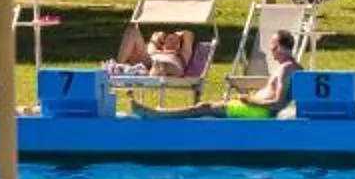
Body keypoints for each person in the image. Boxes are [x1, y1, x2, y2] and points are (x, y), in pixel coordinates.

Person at [143, 31, 300, 118]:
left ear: (280, 48)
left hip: (258, 112)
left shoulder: (286, 69)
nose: (271, 50)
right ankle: (162, 114)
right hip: (256, 108)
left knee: (205, 107)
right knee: (210, 107)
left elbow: (278, 103)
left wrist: (251, 100)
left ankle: (160, 115)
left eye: (273, 47)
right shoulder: (291, 67)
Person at [114, 25, 197, 78]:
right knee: (132, 30)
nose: (174, 41)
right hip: (150, 62)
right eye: (170, 39)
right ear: (163, 43)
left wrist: (177, 35)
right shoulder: (156, 49)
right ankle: (118, 67)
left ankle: (149, 75)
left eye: (177, 41)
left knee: (160, 64)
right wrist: (158, 37)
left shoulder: (182, 54)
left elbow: (188, 34)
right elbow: (154, 37)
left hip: (171, 66)